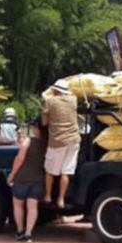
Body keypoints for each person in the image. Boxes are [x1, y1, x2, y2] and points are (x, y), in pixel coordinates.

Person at [42, 79, 80, 208]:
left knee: (49, 171)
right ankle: (61, 199)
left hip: (57, 141)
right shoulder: (73, 100)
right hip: (74, 140)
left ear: (55, 90)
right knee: (66, 172)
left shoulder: (50, 101)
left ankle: (47, 196)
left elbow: (44, 123)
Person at [7, 121, 47, 242]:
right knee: (32, 207)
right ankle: (29, 233)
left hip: (22, 178)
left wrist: (12, 174)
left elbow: (19, 158)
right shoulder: (47, 144)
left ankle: (20, 231)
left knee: (18, 205)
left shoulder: (28, 141)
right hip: (38, 179)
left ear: (36, 129)